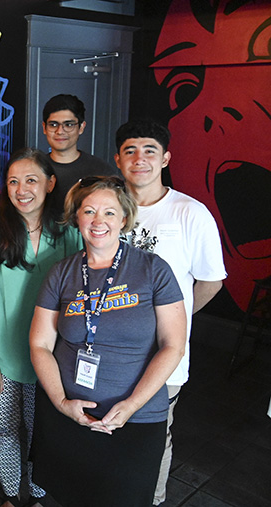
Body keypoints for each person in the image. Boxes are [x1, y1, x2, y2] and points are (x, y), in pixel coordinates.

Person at [29, 175, 187, 507]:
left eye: (110, 213)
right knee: (70, 495)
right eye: (89, 211)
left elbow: (173, 344)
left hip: (137, 420)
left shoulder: (153, 269)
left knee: (125, 498)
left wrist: (130, 406)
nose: (98, 221)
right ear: (77, 218)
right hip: (69, 416)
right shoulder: (61, 272)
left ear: (125, 218)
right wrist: (60, 403)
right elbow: (40, 344)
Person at [114, 119, 226, 505]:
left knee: (153, 436)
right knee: (109, 430)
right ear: (118, 159)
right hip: (110, 352)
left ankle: (151, 499)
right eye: (130, 150)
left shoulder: (190, 214)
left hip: (164, 354)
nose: (139, 159)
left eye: (149, 151)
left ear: (165, 158)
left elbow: (211, 281)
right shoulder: (107, 209)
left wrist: (174, 322)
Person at [0, 148, 82, 507]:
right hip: (1, 352)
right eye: (13, 181)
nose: (21, 189)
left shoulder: (66, 232)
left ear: (50, 184)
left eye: (31, 180)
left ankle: (38, 493)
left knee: (40, 432)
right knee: (4, 429)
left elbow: (80, 292)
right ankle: (13, 495)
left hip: (48, 356)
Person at [42, 94, 119, 199]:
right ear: (44, 127)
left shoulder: (101, 171)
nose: (60, 131)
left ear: (81, 127)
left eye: (68, 125)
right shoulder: (35, 168)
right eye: (53, 125)